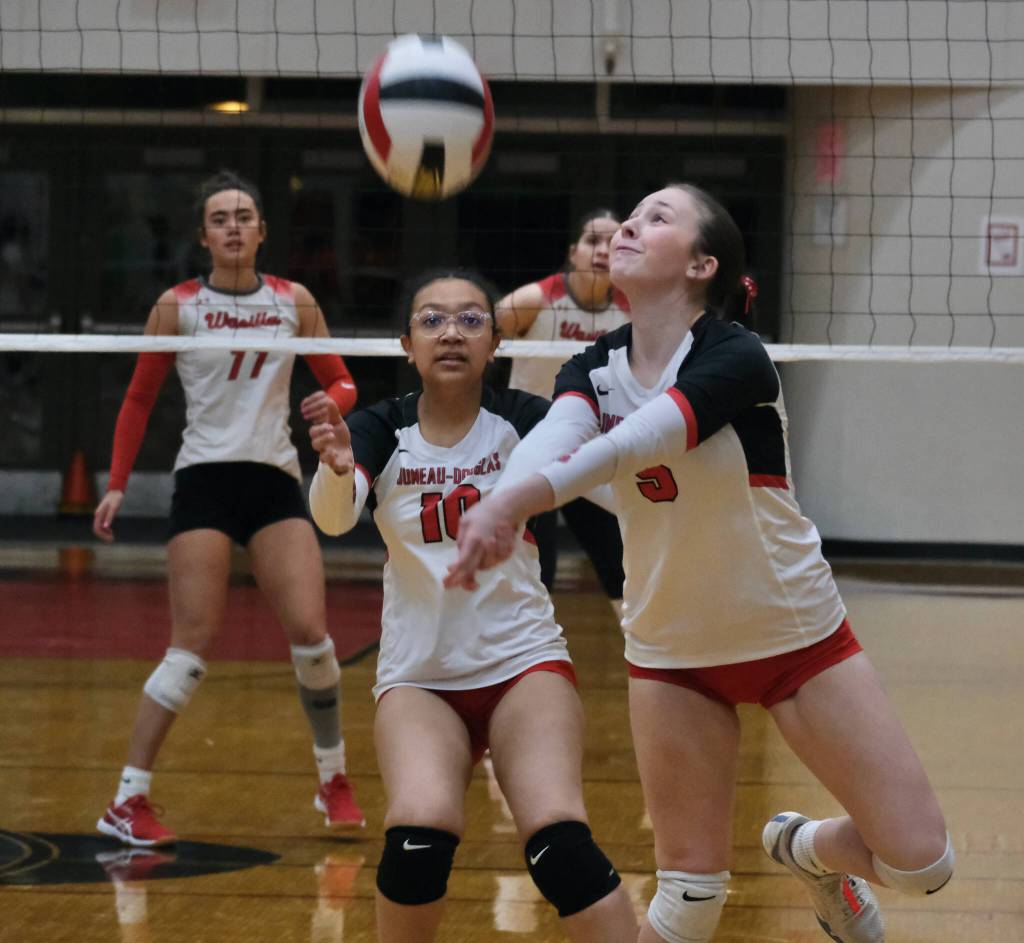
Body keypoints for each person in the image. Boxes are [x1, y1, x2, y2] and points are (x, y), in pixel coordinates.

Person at [445, 184, 953, 943]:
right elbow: (555, 438)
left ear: (701, 264)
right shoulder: (593, 365)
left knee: (921, 862)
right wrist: (506, 498)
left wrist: (513, 502)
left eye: (656, 218)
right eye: (631, 215)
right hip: (671, 650)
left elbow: (638, 441)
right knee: (687, 895)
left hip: (792, 637)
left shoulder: (736, 356)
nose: (628, 226)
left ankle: (805, 848)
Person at [306, 270, 638, 943]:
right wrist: (336, 470)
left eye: (470, 319)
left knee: (560, 845)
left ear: (494, 343)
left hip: (522, 664)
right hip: (421, 677)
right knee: (418, 840)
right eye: (431, 320)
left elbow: (616, 490)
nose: (451, 332)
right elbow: (335, 519)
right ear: (407, 345)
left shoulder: (526, 420)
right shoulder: (379, 426)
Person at [91, 170, 364, 846]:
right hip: (205, 482)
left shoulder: (293, 300)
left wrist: (333, 403)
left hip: (274, 480)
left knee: (314, 637)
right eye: (220, 219)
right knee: (190, 648)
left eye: (244, 217)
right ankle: (127, 798)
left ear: (262, 231)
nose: (233, 227)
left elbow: (343, 380)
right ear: (203, 235)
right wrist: (117, 482)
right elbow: (138, 398)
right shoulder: (176, 306)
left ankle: (333, 779)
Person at [497, 209, 628, 613]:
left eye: (613, 243)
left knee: (622, 569)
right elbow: (476, 339)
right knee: (540, 572)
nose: (602, 251)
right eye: (593, 241)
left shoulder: (635, 311)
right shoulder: (534, 301)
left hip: (591, 452)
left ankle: (647, 646)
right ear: (574, 252)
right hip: (533, 450)